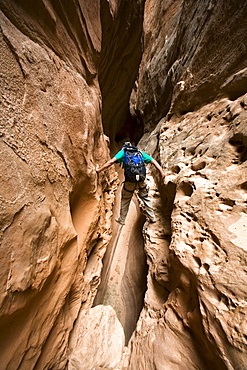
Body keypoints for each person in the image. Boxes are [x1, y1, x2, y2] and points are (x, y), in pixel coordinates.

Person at [96, 142, 166, 225]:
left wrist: (99, 170)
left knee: (125, 199)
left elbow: (111, 162)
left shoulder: (123, 152)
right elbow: (153, 161)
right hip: (141, 181)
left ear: (124, 147)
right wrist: (162, 173)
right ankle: (152, 217)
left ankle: (122, 220)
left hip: (130, 182)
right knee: (146, 198)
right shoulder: (139, 153)